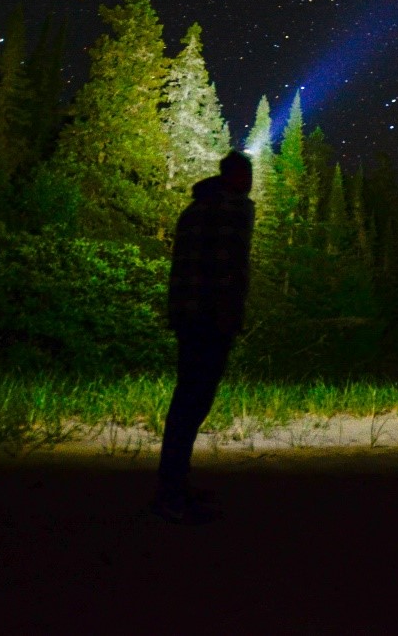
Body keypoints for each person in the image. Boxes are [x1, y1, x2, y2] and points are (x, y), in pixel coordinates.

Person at [152, 150, 254, 524]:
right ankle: (171, 493)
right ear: (233, 177)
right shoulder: (228, 211)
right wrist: (228, 315)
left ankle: (174, 484)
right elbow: (226, 267)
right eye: (245, 175)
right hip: (210, 320)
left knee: (188, 401)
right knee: (192, 402)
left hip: (188, 317)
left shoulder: (195, 209)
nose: (249, 182)